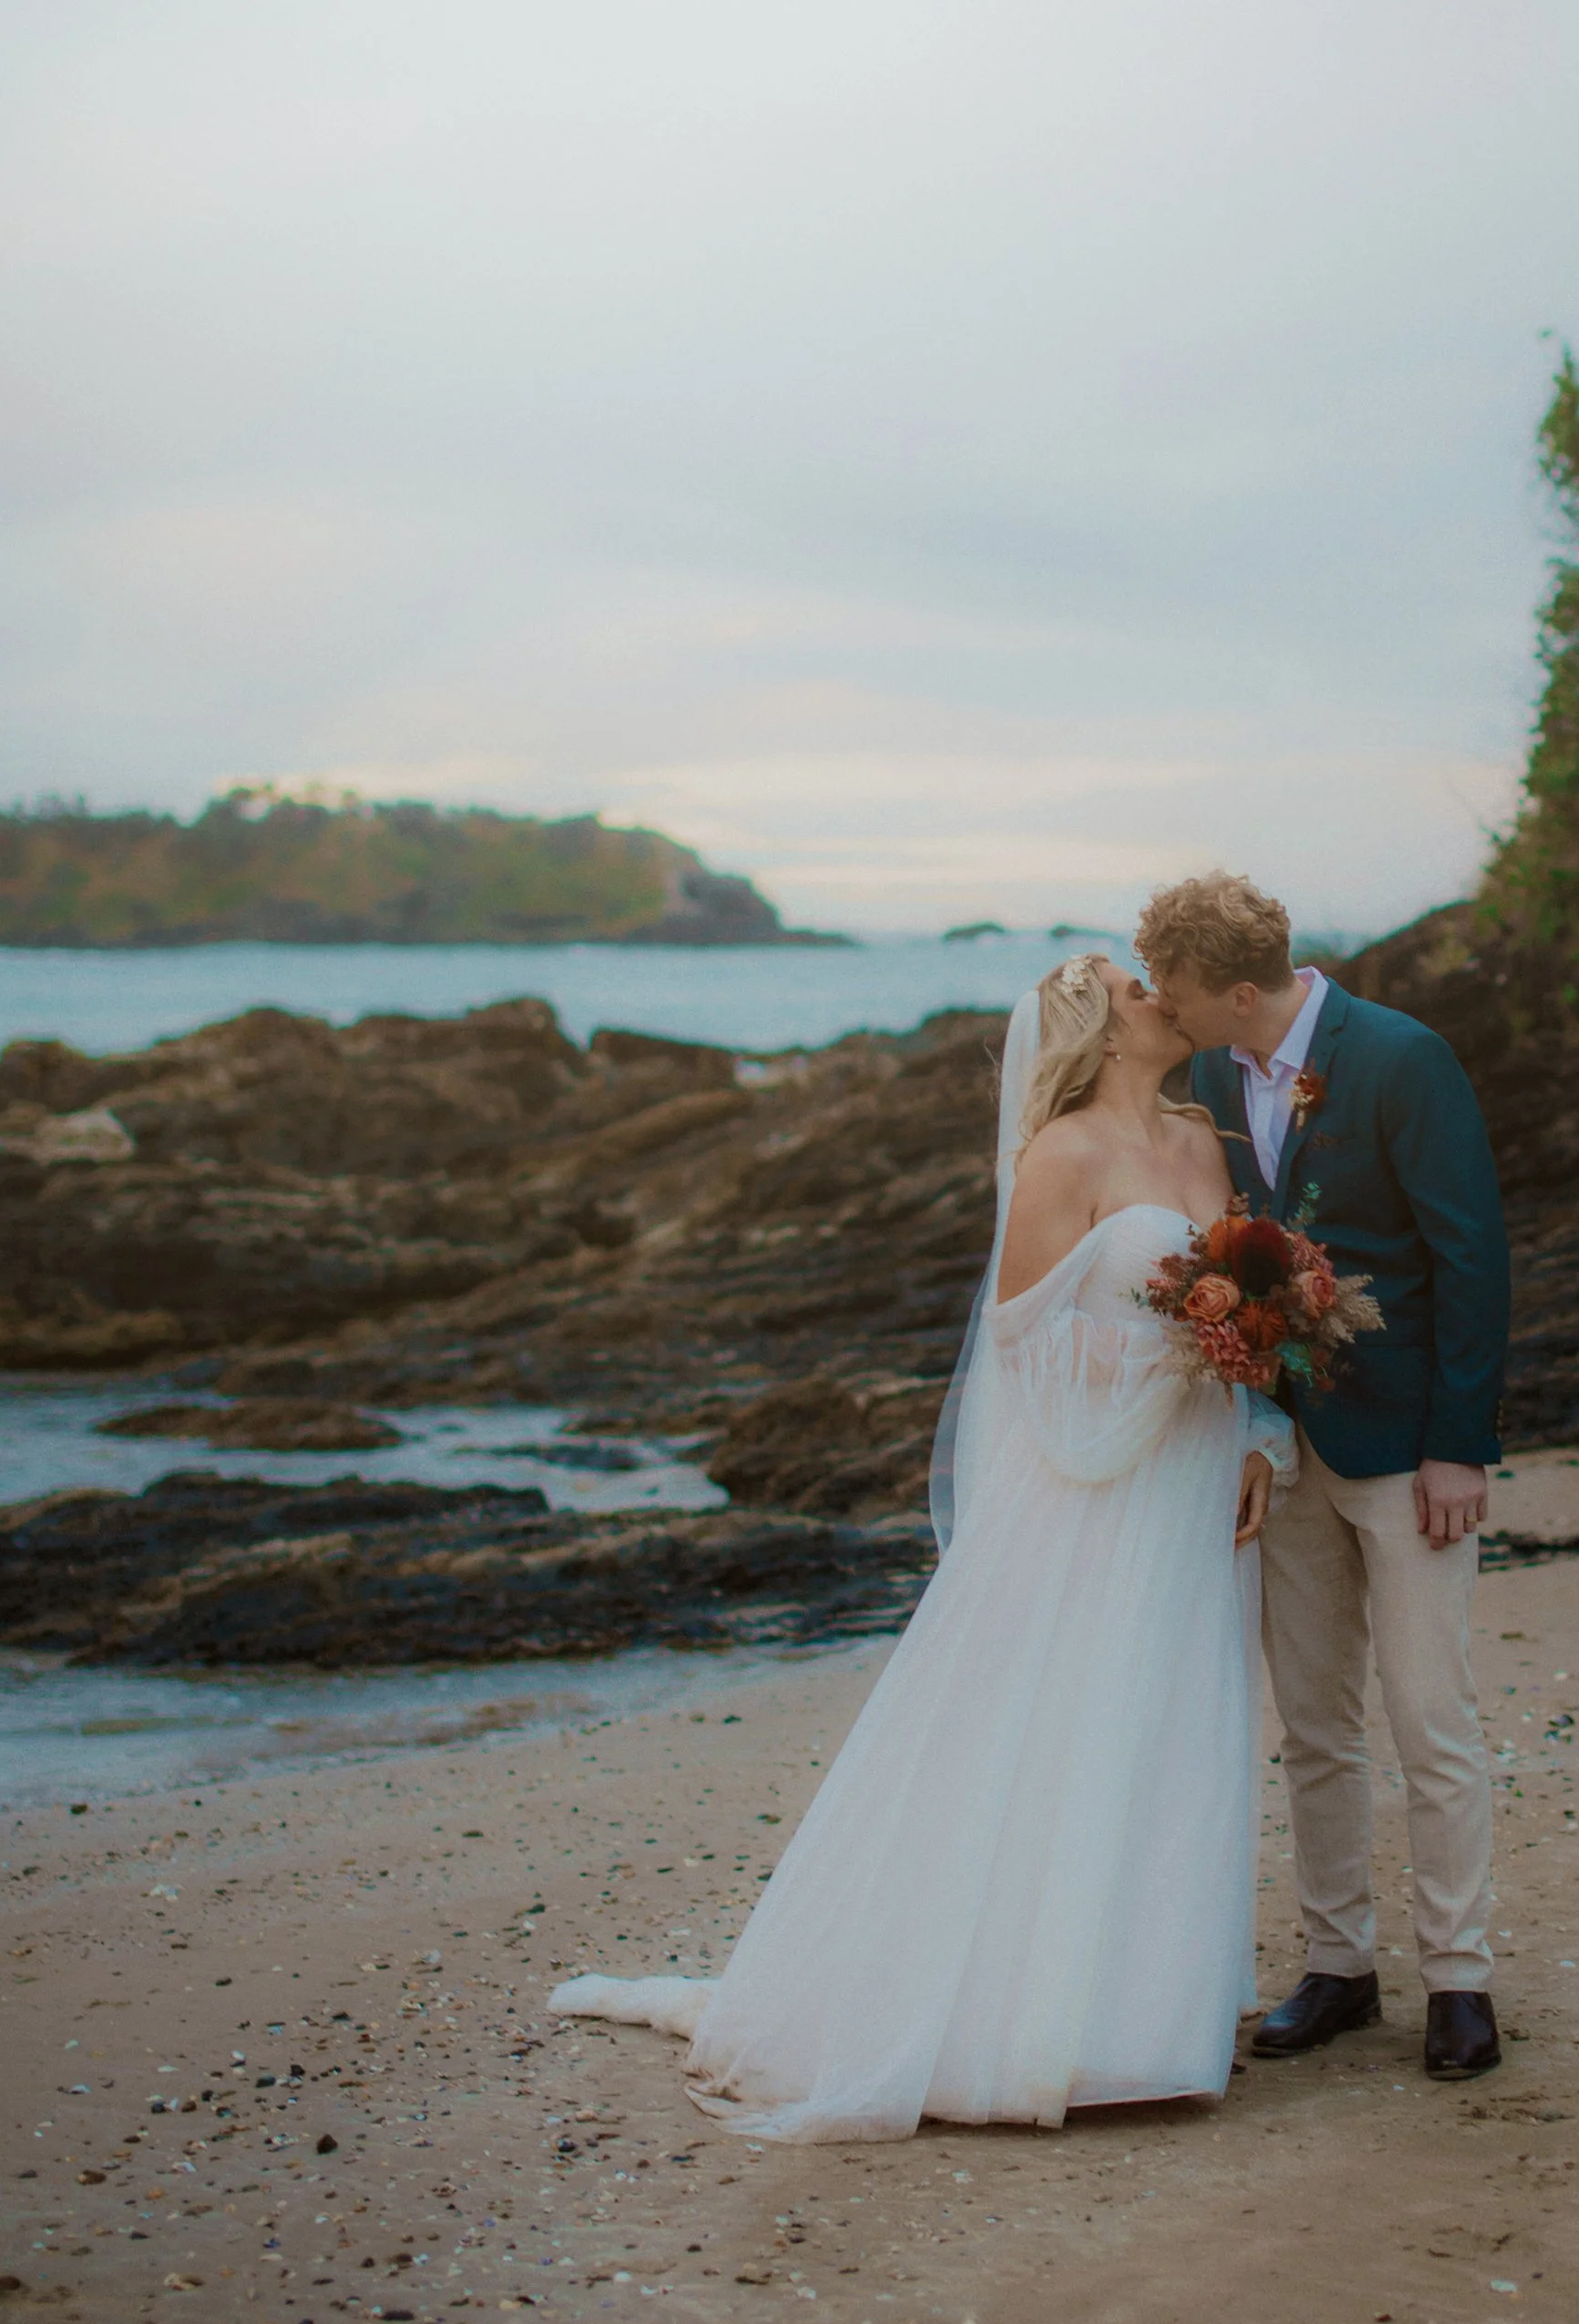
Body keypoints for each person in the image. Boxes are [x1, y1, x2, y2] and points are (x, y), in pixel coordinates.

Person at [547, 955, 1288, 2140]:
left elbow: (1250, 1303)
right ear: (1097, 1028)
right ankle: (1040, 2023)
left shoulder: (1205, 1142)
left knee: (1173, 1715)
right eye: (1130, 980)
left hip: (1195, 1477)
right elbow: (1021, 1344)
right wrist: (1173, 1355)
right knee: (1067, 1721)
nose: (1158, 986)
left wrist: (1254, 1417)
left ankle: (1153, 2019)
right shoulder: (1061, 1156)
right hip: (1095, 1488)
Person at [1138, 871, 1511, 2084]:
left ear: (1239, 988)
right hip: (1283, 1447)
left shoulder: (1402, 1059)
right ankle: (1338, 1964)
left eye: (1177, 991)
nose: (1164, 1008)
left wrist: (1461, 1442)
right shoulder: (1204, 1081)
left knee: (1429, 1716)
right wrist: (1249, 1410)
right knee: (1314, 1722)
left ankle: (1460, 1977)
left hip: (1409, 1453)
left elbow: (1471, 1255)